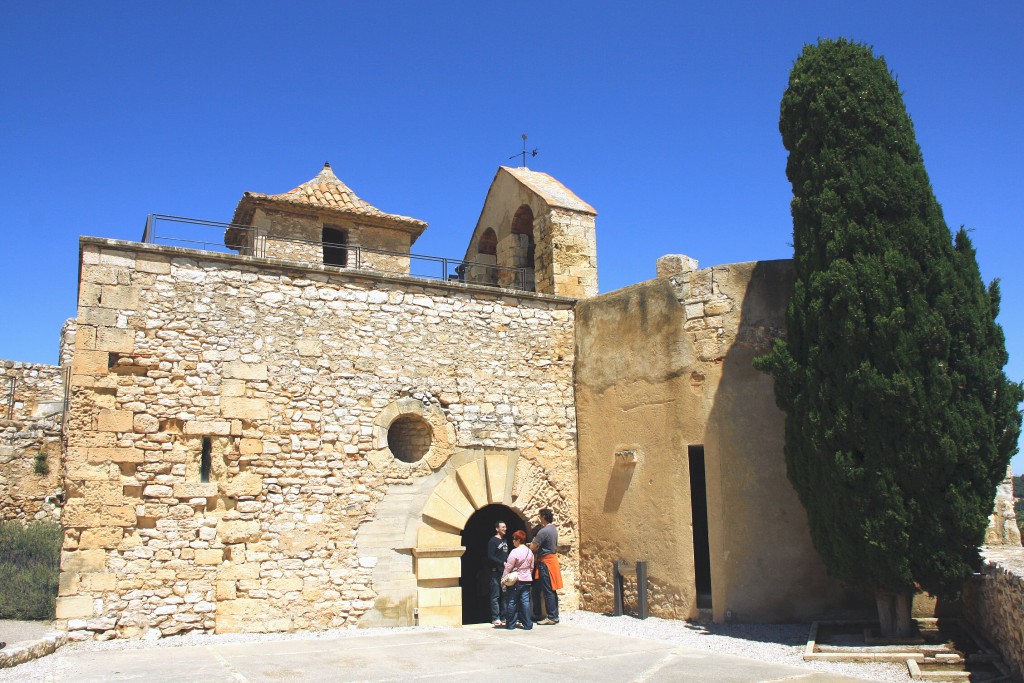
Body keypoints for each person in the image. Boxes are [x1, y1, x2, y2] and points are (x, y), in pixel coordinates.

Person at [530, 507, 561, 625]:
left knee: (547, 590)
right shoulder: (554, 529)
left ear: (543, 517)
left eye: (540, 516)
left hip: (545, 562)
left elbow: (534, 547)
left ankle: (551, 616)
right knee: (551, 589)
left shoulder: (543, 531)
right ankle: (553, 615)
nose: (539, 519)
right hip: (552, 561)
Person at [502, 529, 534, 630]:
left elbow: (508, 567)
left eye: (514, 539)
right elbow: (532, 567)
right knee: (525, 601)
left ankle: (511, 624)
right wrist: (527, 575)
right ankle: (527, 624)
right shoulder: (530, 552)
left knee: (512, 601)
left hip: (516, 580)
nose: (513, 541)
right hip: (527, 579)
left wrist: (503, 579)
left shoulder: (514, 552)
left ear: (518, 540)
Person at [486, 520, 509, 626]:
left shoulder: (505, 540)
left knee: (505, 595)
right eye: (502, 527)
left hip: (504, 572)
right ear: (497, 529)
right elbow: (490, 556)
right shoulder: (493, 541)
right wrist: (501, 563)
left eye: (505, 527)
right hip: (495, 572)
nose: (505, 529)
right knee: (495, 595)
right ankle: (495, 617)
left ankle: (504, 616)